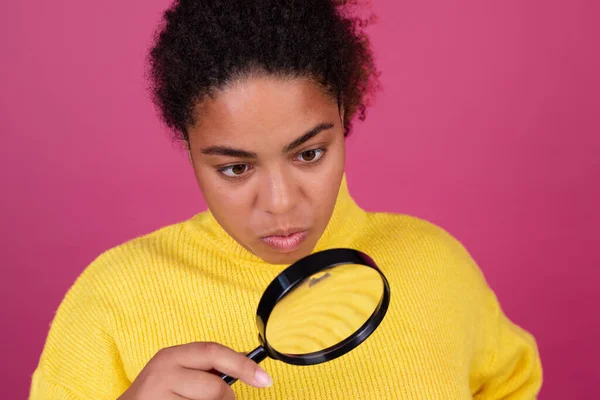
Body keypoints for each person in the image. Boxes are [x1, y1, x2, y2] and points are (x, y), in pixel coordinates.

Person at [29, 0, 543, 399]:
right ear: (187, 147)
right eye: (235, 167)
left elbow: (512, 382)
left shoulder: (436, 263)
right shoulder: (112, 299)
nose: (280, 204)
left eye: (310, 154)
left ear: (345, 117)